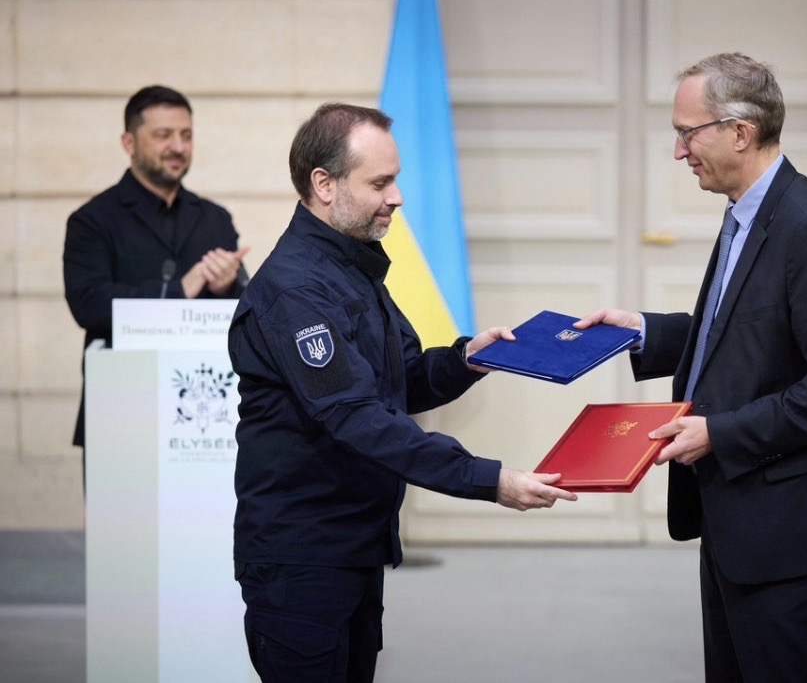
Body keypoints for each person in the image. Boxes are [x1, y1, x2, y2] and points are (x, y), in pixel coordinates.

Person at [228, 102, 577, 682]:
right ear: (324, 185)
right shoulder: (295, 290)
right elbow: (357, 415)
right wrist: (489, 479)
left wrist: (467, 359)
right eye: (380, 182)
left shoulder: (352, 268)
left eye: (397, 180)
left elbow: (401, 380)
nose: (397, 198)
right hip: (303, 555)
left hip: (353, 545)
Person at [576, 53, 807, 682]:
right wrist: (641, 331)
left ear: (739, 132)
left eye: (687, 133)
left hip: (785, 522)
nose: (679, 152)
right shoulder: (748, 212)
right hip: (736, 508)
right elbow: (742, 336)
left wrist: (718, 432)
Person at [63, 84, 250, 449]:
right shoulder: (92, 220)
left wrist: (229, 286)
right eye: (163, 135)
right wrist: (178, 291)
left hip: (206, 416)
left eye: (186, 135)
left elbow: (247, 308)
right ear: (129, 143)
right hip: (120, 410)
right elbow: (88, 303)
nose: (178, 147)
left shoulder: (215, 218)